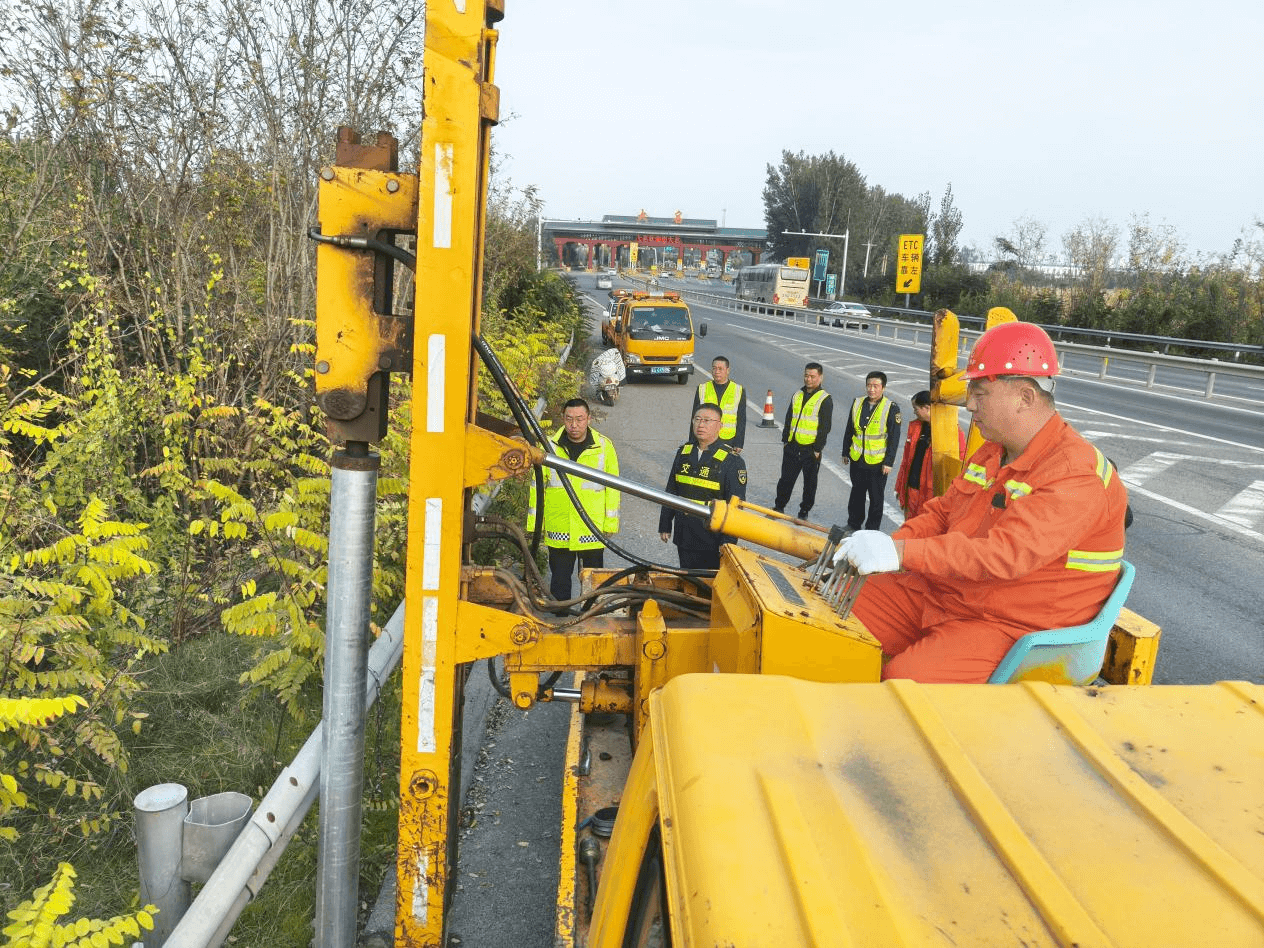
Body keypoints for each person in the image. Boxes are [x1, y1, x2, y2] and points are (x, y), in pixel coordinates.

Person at [834, 322, 1130, 684]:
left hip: (1013, 625)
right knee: (834, 609)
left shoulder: (1075, 476)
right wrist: (887, 547)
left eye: (980, 393)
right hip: (955, 593)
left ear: (1025, 397)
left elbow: (1003, 554)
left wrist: (902, 556)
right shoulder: (992, 452)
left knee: (904, 685)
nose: (969, 404)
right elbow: (943, 514)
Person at [527, 398, 620, 604]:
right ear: (563, 419)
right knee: (560, 582)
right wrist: (535, 525)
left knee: (593, 583)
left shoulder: (604, 447)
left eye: (579, 419)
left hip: (592, 529)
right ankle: (561, 620)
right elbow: (537, 488)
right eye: (569, 419)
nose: (574, 425)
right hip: (560, 527)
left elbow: (613, 488)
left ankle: (591, 617)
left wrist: (610, 523)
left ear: (588, 419)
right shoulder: (548, 447)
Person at [659, 403, 748, 569]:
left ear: (719, 426)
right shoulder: (684, 453)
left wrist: (728, 542)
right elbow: (671, 490)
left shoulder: (732, 461)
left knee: (708, 587)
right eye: (697, 419)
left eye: (707, 420)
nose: (701, 425)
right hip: (684, 533)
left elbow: (735, 506)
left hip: (711, 538)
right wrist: (665, 524)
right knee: (688, 581)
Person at [893, 390, 966, 521]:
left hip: (931, 494)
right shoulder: (915, 427)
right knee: (909, 531)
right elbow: (906, 462)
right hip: (912, 490)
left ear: (926, 408)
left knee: (925, 532)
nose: (914, 412)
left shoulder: (951, 431)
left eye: (916, 409)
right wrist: (900, 487)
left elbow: (960, 464)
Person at [842, 371, 901, 532]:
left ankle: (872, 529)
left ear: (883, 388)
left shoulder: (891, 408)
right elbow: (850, 429)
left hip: (877, 462)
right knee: (856, 494)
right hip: (857, 459)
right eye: (869, 385)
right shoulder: (857, 402)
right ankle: (853, 524)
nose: (871, 389)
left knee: (876, 497)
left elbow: (894, 438)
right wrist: (845, 452)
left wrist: (888, 462)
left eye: (875, 386)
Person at [773, 362, 832, 520]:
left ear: (820, 377)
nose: (808, 379)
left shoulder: (825, 399)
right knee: (785, 480)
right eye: (806, 375)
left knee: (809, 484)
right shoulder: (798, 394)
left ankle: (803, 512)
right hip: (792, 446)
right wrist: (785, 440)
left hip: (810, 450)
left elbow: (825, 427)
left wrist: (817, 449)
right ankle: (779, 507)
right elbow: (788, 417)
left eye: (812, 376)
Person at [688, 356, 746, 453]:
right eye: (714, 368)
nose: (716, 371)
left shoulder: (738, 390)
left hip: (728, 439)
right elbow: (695, 417)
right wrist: (692, 441)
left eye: (720, 369)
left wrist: (739, 443)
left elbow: (741, 418)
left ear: (727, 370)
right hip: (706, 437)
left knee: (724, 467)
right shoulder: (702, 388)